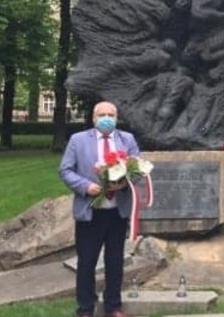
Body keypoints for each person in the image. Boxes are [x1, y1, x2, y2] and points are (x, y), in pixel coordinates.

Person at [59, 101, 140, 317]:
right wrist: (85, 186)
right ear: (94, 118)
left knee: (115, 261)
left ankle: (113, 306)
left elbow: (138, 169)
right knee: (87, 262)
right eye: (102, 115)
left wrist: (124, 183)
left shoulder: (127, 140)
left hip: (117, 212)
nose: (106, 119)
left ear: (117, 118)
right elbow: (65, 170)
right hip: (90, 212)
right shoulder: (78, 140)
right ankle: (85, 308)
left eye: (111, 115)